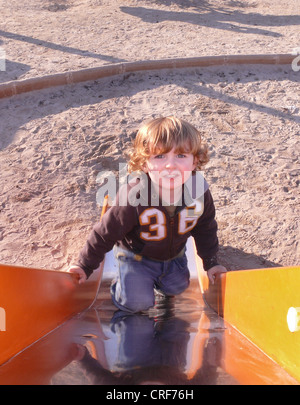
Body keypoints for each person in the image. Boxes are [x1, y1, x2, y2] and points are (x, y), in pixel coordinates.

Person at [68, 116, 226, 313]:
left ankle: (161, 284)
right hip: (137, 258)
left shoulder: (198, 191)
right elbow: (104, 234)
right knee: (136, 305)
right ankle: (122, 287)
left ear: (195, 161)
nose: (170, 165)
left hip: (173, 255)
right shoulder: (134, 196)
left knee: (177, 288)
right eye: (160, 157)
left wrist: (211, 262)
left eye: (181, 156)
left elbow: (206, 227)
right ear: (144, 164)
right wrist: (84, 266)